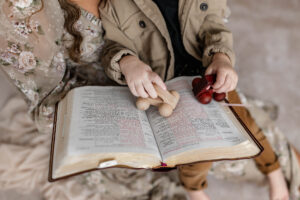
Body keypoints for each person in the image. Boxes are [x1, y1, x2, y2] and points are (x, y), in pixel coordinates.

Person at [99, 1, 291, 199]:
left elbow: (214, 24)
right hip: (164, 85)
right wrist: (127, 62)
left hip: (207, 74)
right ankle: (194, 188)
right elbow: (111, 46)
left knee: (245, 125)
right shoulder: (114, 6)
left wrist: (221, 58)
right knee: (196, 152)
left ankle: (273, 169)